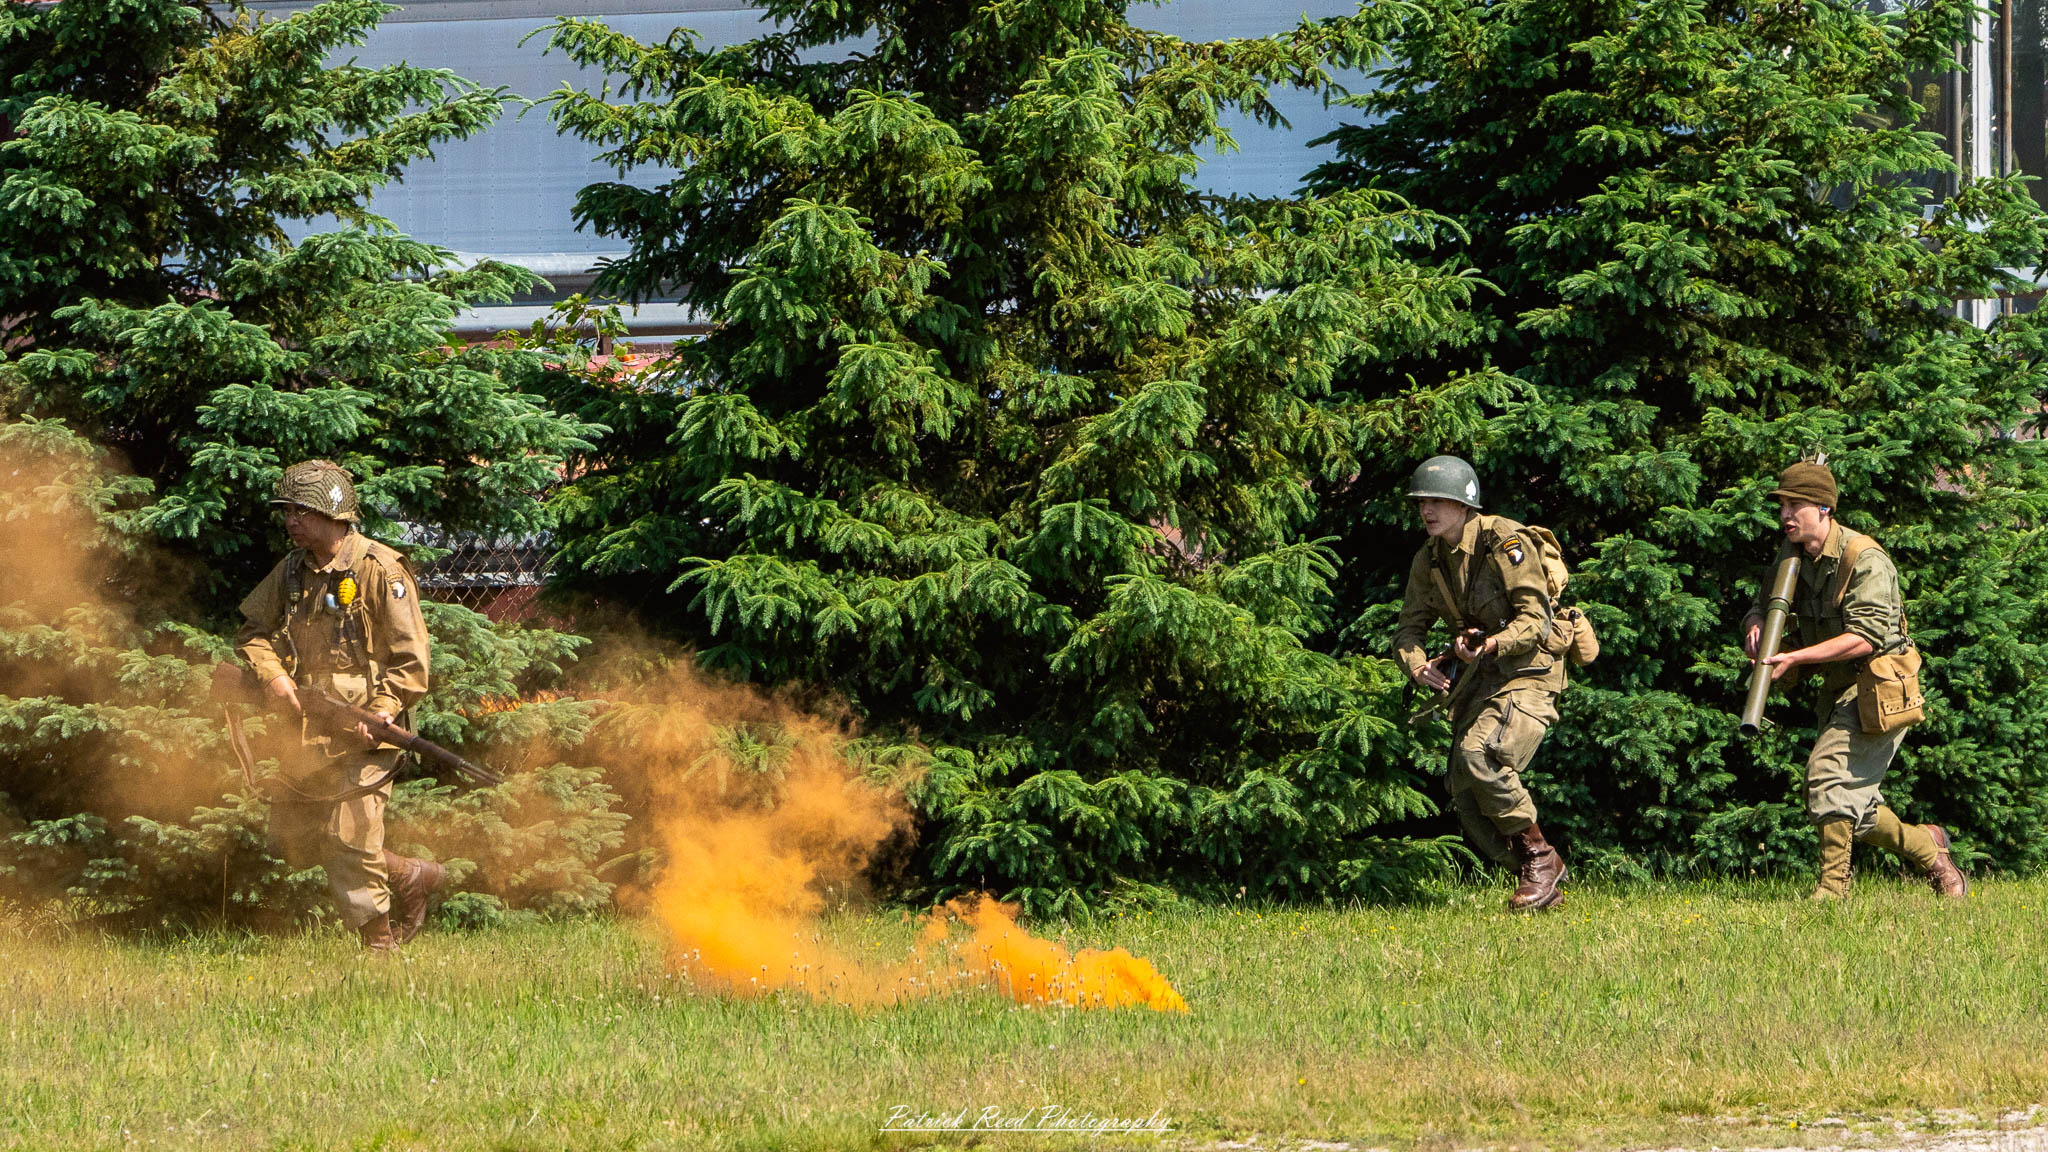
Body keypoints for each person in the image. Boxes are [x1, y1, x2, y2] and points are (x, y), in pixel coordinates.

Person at [235, 460, 447, 951]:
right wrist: (271, 678)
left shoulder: (381, 570)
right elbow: (252, 632)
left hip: (366, 726)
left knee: (351, 836)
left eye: (301, 511)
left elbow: (411, 660)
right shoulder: (290, 570)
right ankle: (411, 874)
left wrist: (383, 711)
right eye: (286, 511)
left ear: (334, 514)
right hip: (307, 723)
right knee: (294, 838)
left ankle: (379, 943)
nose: (291, 520)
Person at [1741, 462, 1966, 900]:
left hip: (1880, 685)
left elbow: (1865, 638)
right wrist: (1754, 624)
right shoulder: (1790, 558)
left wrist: (1794, 656)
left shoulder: (1864, 558)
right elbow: (1759, 603)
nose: (1786, 514)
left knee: (1827, 779)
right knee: (1855, 809)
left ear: (1825, 508)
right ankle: (1931, 851)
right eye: (1782, 505)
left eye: (1796, 505)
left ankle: (1833, 890)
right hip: (1839, 689)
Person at [1393, 456, 1572, 910]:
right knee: (1465, 792)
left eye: (1436, 501)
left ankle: (1541, 859)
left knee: (1482, 754)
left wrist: (1491, 644)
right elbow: (1408, 629)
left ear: (1463, 502)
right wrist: (1416, 666)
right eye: (1421, 503)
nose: (1426, 511)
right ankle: (1536, 881)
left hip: (1530, 669)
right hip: (1482, 677)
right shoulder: (1429, 558)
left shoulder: (1504, 541)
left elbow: (1536, 619)